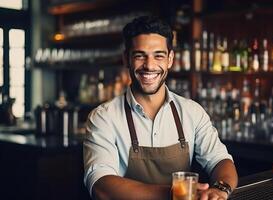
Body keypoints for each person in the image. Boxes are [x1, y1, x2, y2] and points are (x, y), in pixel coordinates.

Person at [83, 15, 238, 200]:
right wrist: (176, 192)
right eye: (140, 56)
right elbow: (101, 184)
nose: (149, 65)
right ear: (126, 59)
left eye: (159, 55)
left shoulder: (191, 112)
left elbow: (220, 160)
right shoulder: (103, 118)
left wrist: (221, 189)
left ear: (170, 59)